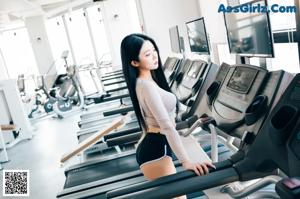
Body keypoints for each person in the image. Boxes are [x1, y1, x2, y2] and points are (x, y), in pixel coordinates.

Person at [120, 33, 215, 198]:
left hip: (154, 145)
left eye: (154, 50)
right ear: (135, 62)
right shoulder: (146, 86)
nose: (154, 56)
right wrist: (186, 162)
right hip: (156, 151)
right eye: (147, 54)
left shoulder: (146, 82)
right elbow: (166, 126)